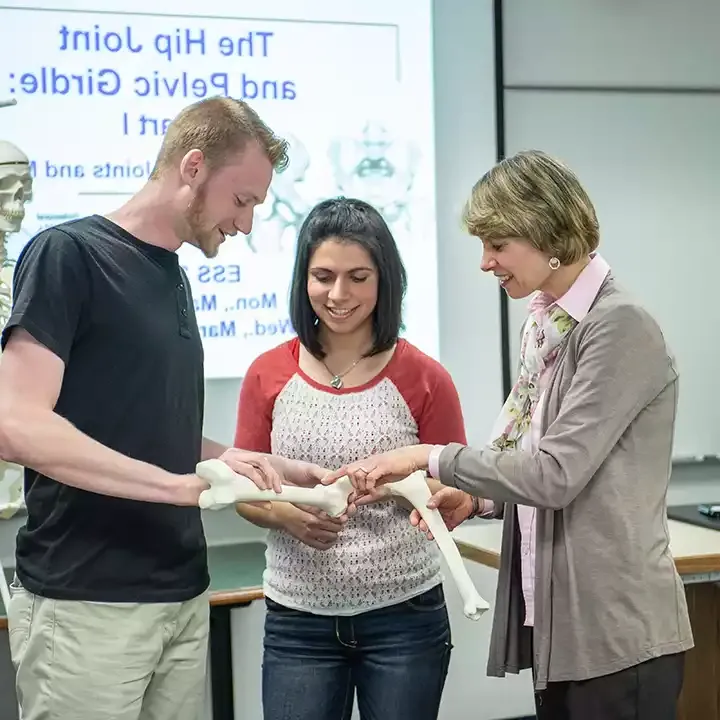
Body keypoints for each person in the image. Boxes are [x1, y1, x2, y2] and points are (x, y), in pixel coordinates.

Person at [326, 151, 694, 720]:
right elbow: (533, 458)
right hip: (567, 630)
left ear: (546, 232)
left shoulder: (618, 325)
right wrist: (475, 497)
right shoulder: (549, 323)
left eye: (496, 244)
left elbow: (555, 474)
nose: (485, 262)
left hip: (618, 634)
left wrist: (428, 456)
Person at [0, 96, 328, 720]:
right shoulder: (69, 254)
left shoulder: (171, 275)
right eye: (243, 200)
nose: (248, 224)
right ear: (194, 167)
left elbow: (147, 432)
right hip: (88, 603)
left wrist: (254, 462)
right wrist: (178, 490)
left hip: (180, 595)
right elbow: (15, 424)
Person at [233, 197, 468, 720]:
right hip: (298, 620)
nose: (338, 295)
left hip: (405, 617)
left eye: (358, 277)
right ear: (303, 279)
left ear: (385, 281)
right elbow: (245, 491)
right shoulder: (266, 373)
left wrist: (400, 487)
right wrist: (284, 517)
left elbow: (457, 487)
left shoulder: (426, 378)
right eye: (323, 276)